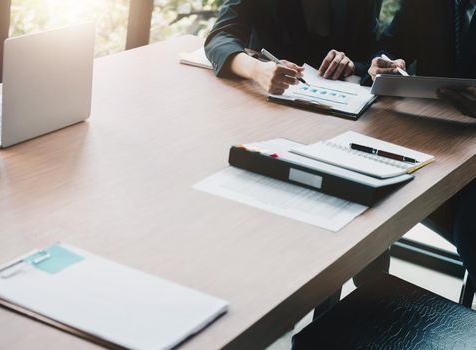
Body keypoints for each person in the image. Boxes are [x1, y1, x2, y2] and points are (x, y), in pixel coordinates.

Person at [366, 0, 476, 286]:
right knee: (369, 185)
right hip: (437, 141)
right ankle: (368, 295)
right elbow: (393, 45)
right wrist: (383, 63)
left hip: (469, 159)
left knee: (471, 228)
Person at [204, 0, 383, 95]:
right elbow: (220, 38)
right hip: (273, 102)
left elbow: (371, 57)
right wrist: (257, 70)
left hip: (340, 111)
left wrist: (351, 65)